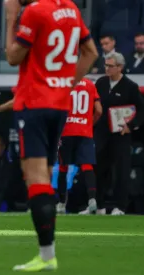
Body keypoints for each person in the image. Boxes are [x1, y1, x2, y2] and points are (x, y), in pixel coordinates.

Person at [3, 0, 98, 271]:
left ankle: (46, 256)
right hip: (59, 105)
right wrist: (67, 83)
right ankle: (47, 255)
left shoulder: (35, 11)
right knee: (44, 172)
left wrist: (11, 18)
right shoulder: (71, 8)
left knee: (36, 177)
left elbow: (13, 56)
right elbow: (90, 53)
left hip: (33, 103)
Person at [94, 52, 144, 216]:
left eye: (110, 66)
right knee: (100, 170)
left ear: (120, 67)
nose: (107, 68)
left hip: (121, 135)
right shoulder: (101, 83)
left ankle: (120, 206)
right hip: (102, 133)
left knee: (121, 171)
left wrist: (131, 126)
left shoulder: (130, 86)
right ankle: (100, 205)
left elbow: (143, 109)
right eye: (106, 65)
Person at [56, 78, 102, 215]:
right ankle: (92, 200)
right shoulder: (90, 84)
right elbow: (99, 110)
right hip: (84, 131)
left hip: (67, 131)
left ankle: (62, 203)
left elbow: (57, 109)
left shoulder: (64, 83)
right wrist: (88, 124)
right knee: (87, 166)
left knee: (63, 167)